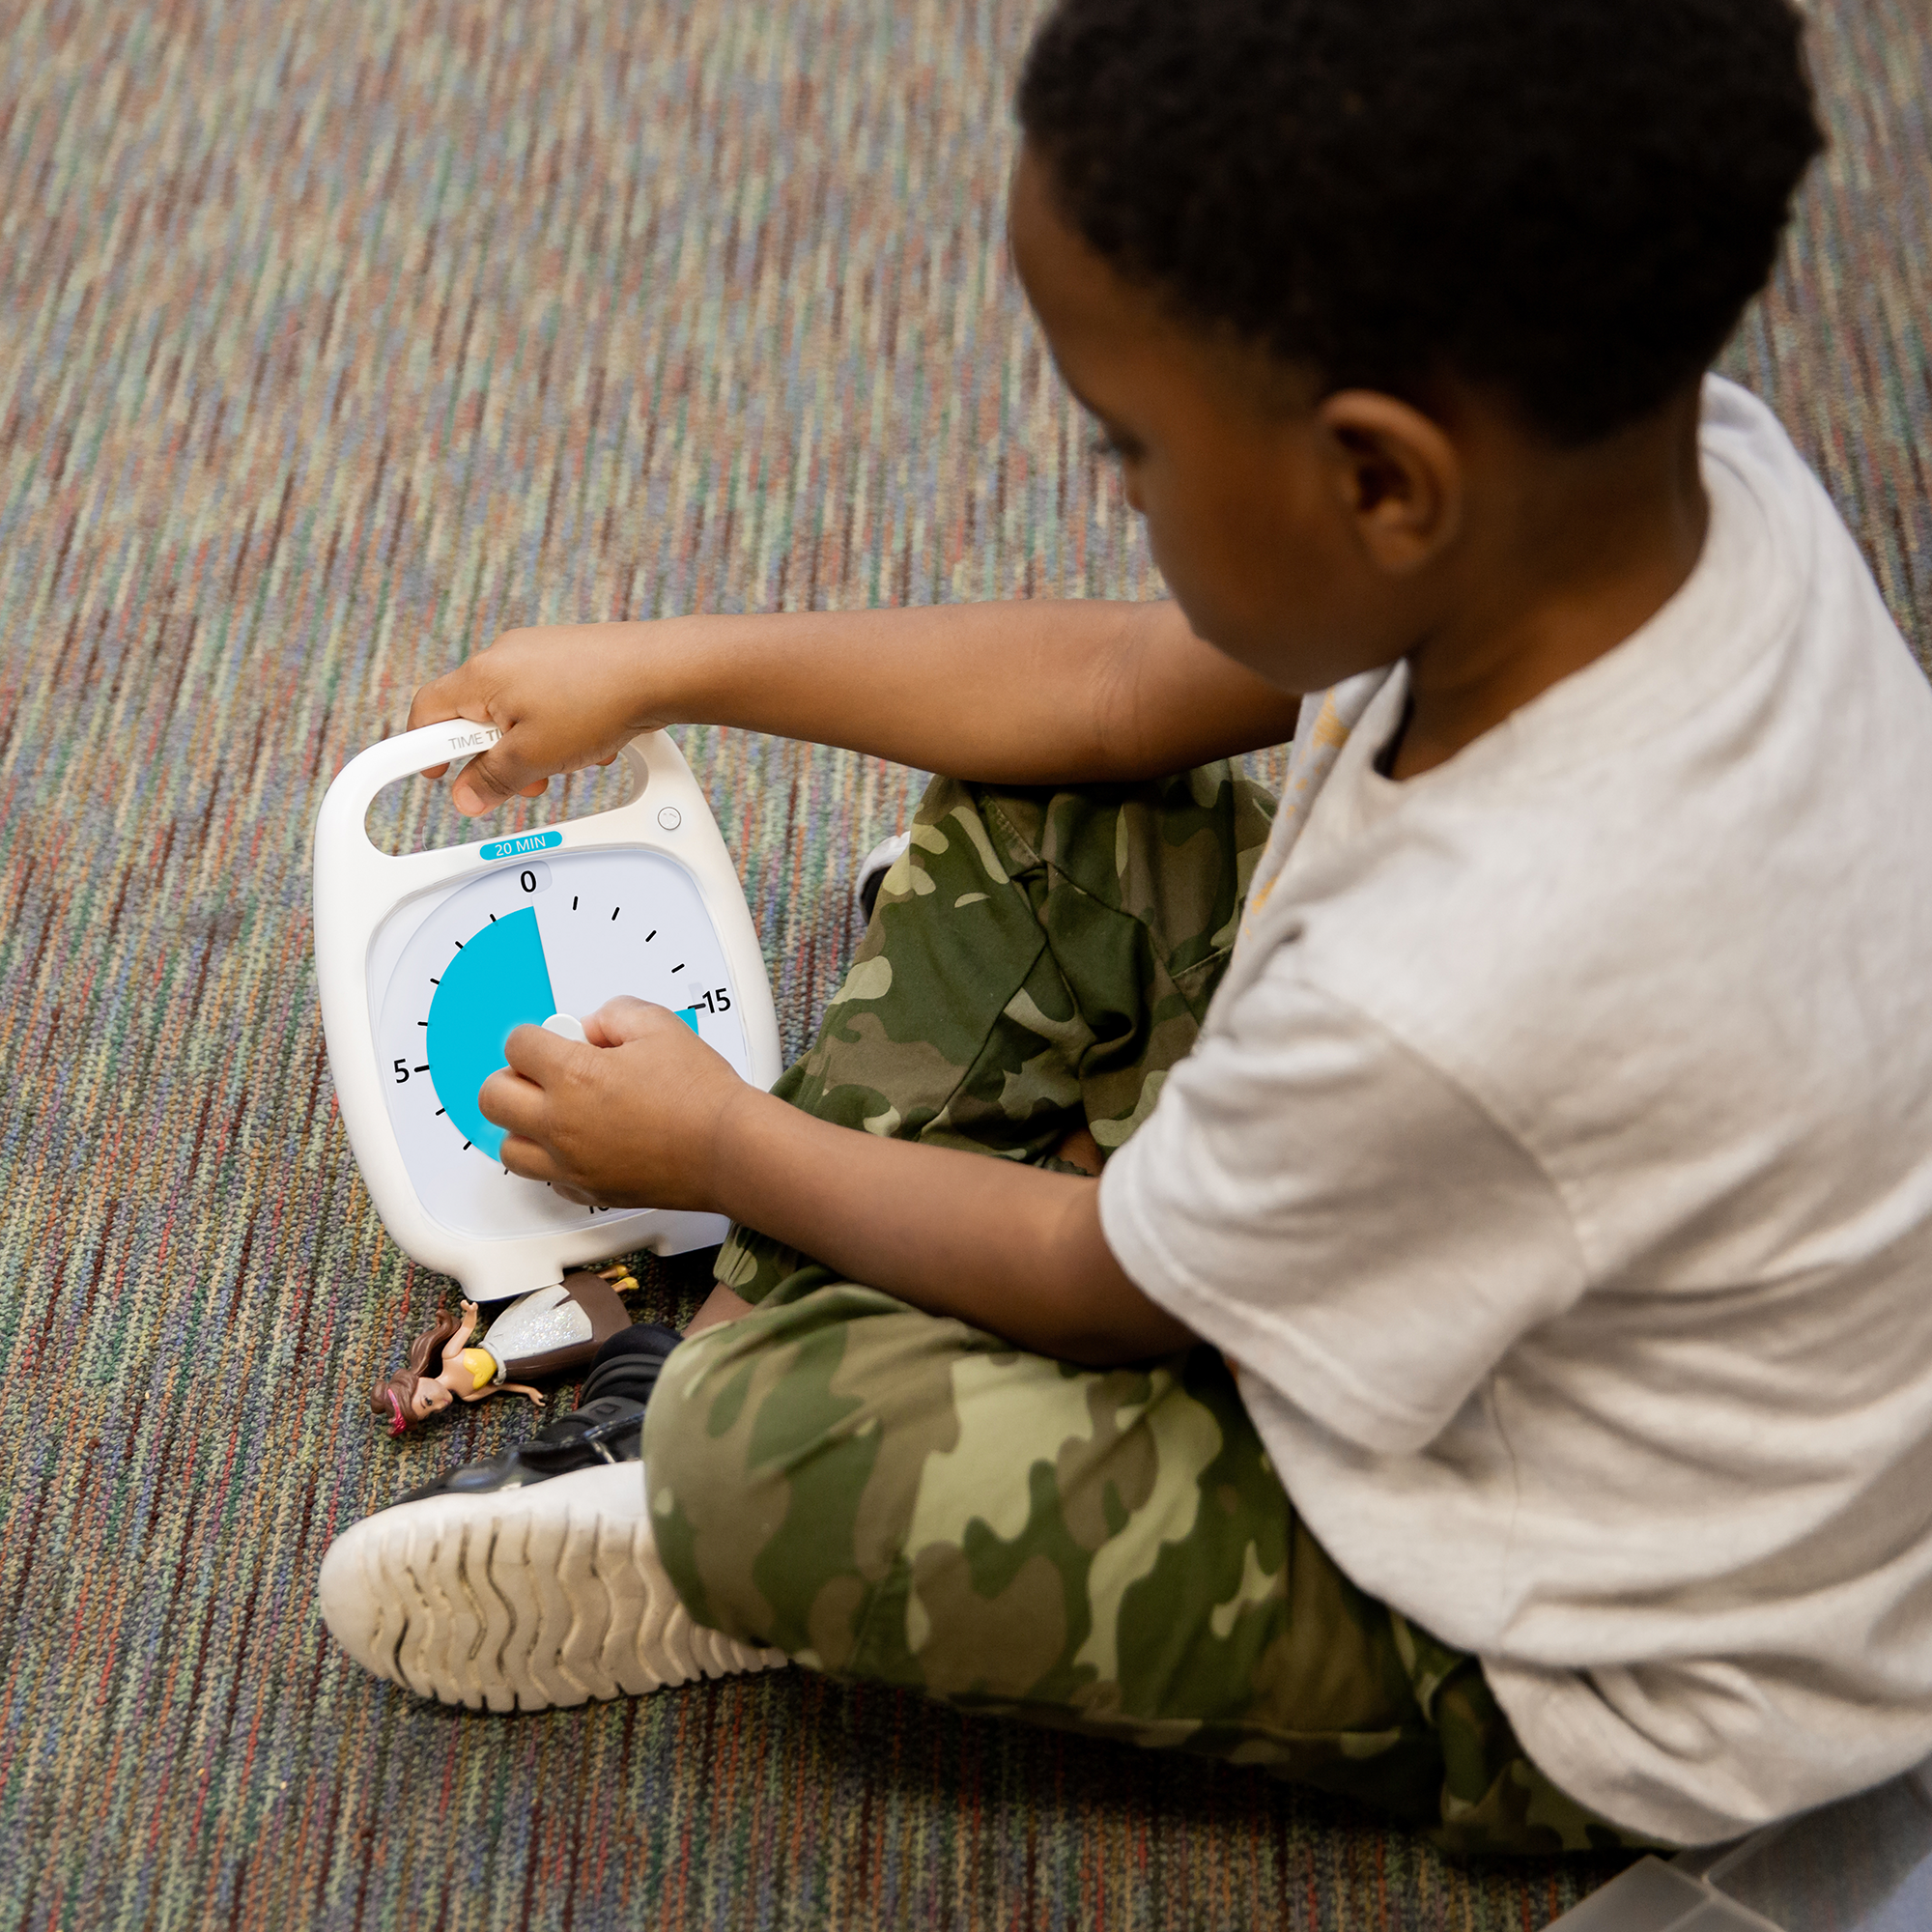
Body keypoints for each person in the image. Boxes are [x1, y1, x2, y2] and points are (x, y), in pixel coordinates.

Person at [317, 0, 1932, 1856]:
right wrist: (675, 663)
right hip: (1519, 1233)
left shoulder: (1469, 982)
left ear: (1384, 479)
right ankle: (825, 1290)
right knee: (1064, 807)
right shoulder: (1671, 472)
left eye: (1128, 454)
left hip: (1598, 1648)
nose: (1120, 499)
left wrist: (724, 1146)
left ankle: (683, 1456)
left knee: (768, 1457)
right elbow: (1107, 688)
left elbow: (1113, 1288)